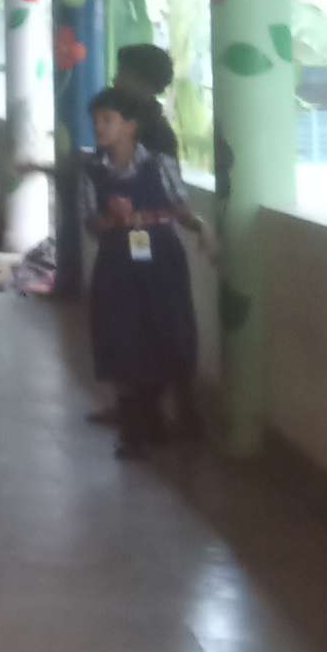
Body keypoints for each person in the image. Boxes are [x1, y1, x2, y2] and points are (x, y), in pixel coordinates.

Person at [86, 86, 202, 459]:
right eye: (96, 121)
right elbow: (93, 225)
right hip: (117, 262)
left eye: (107, 120)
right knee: (122, 338)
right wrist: (112, 218)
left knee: (166, 333)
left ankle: (152, 415)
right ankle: (133, 428)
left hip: (161, 259)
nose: (99, 128)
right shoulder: (94, 172)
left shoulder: (159, 164)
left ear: (130, 126)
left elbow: (181, 208)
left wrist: (202, 230)